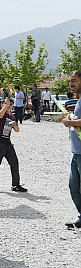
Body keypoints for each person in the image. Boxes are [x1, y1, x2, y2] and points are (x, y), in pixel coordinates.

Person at [0, 97, 27, 192]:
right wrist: (6, 105)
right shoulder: (0, 112)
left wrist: (15, 125)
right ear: (2, 105)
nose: (9, 106)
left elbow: (17, 130)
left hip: (7, 142)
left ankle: (15, 184)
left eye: (11, 104)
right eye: (6, 104)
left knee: (14, 162)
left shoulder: (12, 116)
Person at [62, 70, 81, 229]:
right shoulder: (78, 100)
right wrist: (69, 119)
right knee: (73, 186)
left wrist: (70, 123)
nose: (71, 84)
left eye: (74, 80)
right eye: (70, 81)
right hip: (76, 152)